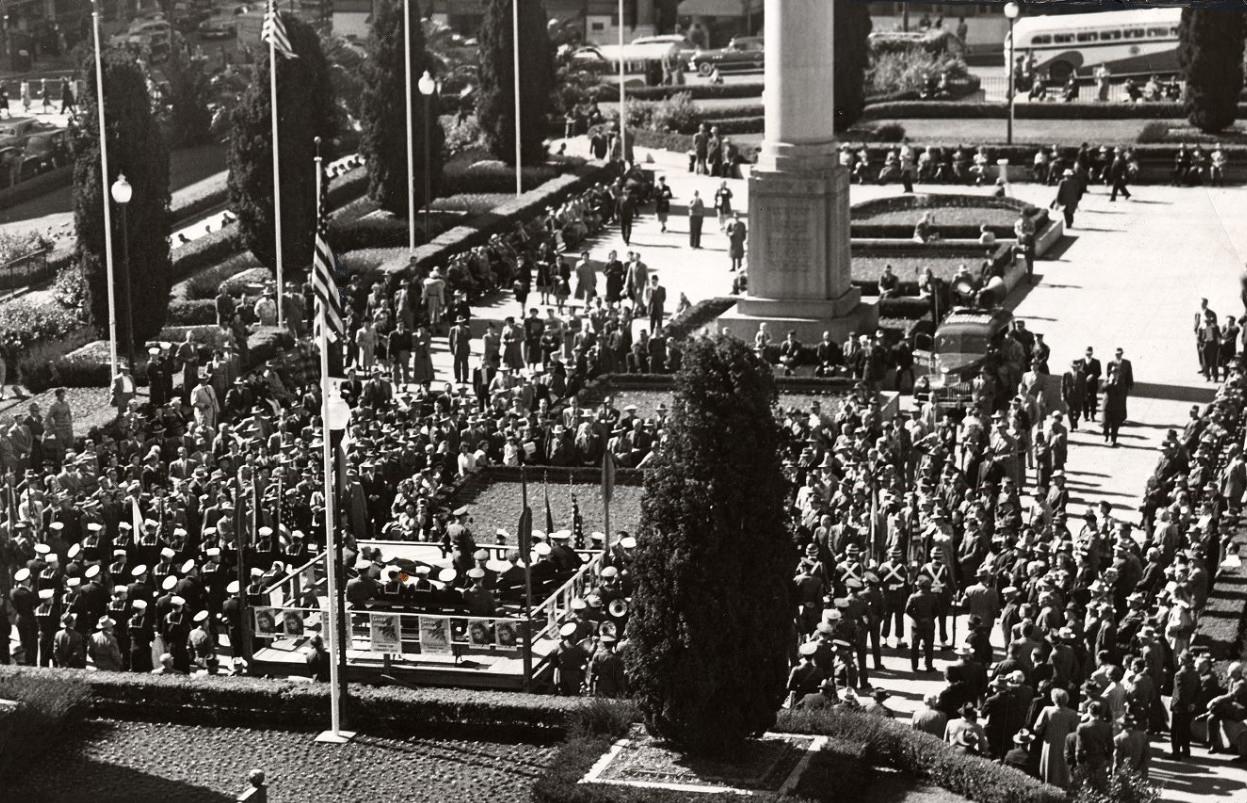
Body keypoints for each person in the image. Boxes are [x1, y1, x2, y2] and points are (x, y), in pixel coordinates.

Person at [1034, 687, 1079, 789]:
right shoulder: (1072, 714)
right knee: (1063, 769)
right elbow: (1076, 732)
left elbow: (1037, 728)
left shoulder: (1047, 710)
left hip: (1049, 744)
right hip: (1065, 744)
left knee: (1048, 768)